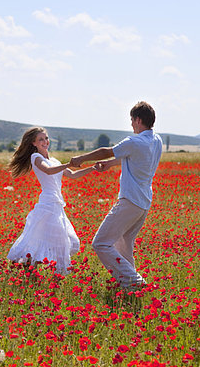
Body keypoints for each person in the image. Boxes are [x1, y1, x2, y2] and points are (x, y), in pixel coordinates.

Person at [70, 101, 163, 290]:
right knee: (123, 242)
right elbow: (130, 156)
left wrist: (82, 158)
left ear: (138, 120)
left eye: (131, 120)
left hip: (130, 200)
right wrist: (109, 164)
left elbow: (107, 150)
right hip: (143, 202)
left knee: (101, 243)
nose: (131, 124)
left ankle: (136, 281)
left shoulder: (134, 141)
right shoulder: (156, 140)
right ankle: (129, 285)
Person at [7, 127, 95, 275]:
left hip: (57, 205)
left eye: (46, 138)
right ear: (34, 143)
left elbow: (72, 175)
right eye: (41, 139)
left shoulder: (54, 161)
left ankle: (30, 266)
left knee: (68, 241)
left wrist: (93, 168)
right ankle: (41, 270)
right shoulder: (36, 158)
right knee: (59, 241)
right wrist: (68, 164)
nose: (45, 142)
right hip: (47, 204)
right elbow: (47, 171)